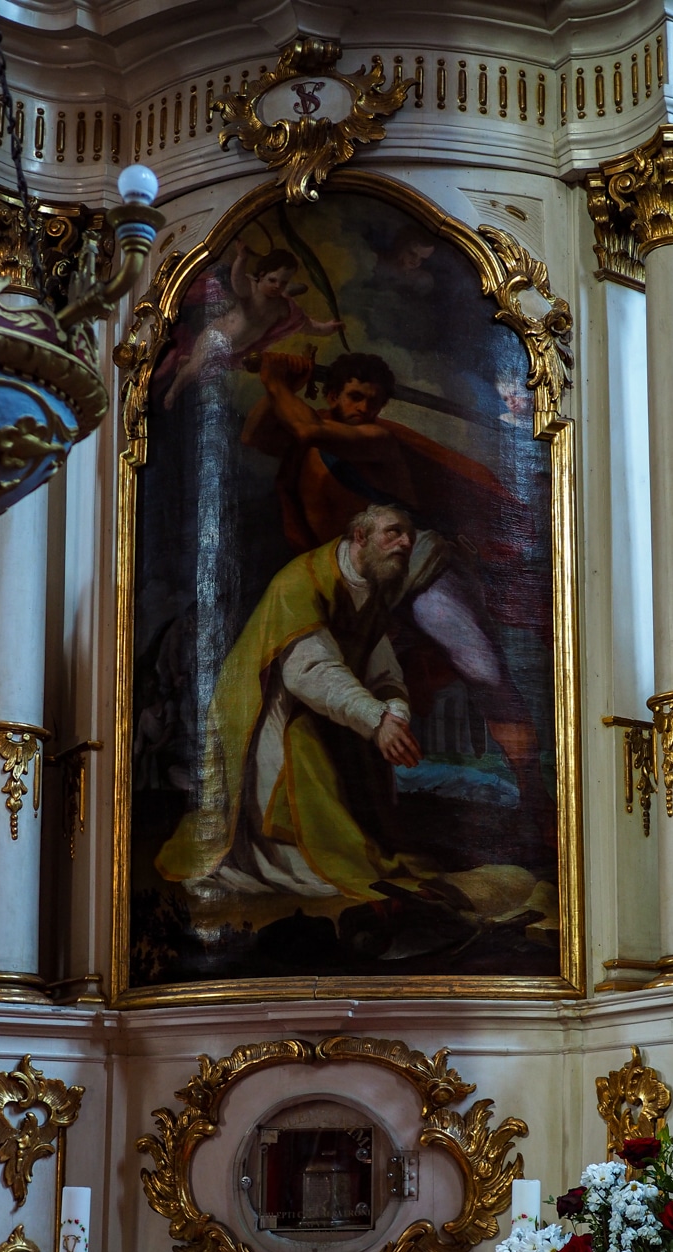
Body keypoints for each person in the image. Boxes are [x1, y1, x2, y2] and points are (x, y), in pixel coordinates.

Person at [241, 350, 553, 831]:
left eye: (373, 401)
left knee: (482, 669)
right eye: (354, 397)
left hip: (416, 567)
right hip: (357, 580)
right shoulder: (308, 430)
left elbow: (306, 429)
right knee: (346, 684)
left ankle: (534, 797)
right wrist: (278, 385)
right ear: (331, 394)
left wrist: (277, 381)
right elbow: (255, 436)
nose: (364, 408)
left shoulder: (374, 438)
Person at [156, 505, 429, 899]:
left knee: (365, 789)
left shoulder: (372, 592)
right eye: (394, 532)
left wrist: (395, 716)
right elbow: (309, 672)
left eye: (409, 536)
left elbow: (384, 674)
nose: (405, 542)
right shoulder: (301, 581)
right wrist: (376, 718)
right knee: (306, 758)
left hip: (331, 710)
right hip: (268, 710)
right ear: (361, 537)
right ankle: (289, 857)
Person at [162, 247, 344, 409]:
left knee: (203, 368)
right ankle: (173, 392)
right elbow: (237, 281)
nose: (276, 286)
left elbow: (306, 325)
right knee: (196, 368)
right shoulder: (251, 289)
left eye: (282, 283)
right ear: (261, 274)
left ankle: (186, 361)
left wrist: (328, 327)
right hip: (217, 336)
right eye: (272, 280)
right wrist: (242, 259)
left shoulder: (283, 307)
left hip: (236, 349)